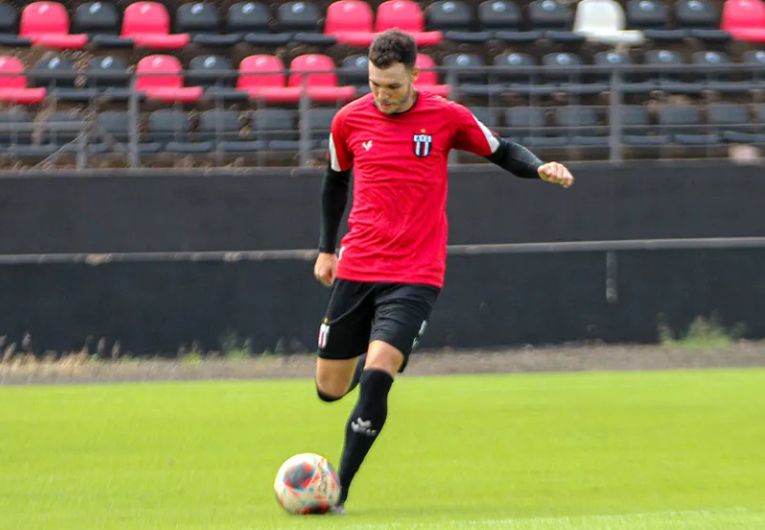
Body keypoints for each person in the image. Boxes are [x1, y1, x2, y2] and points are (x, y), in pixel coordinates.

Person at [312, 29, 574, 513]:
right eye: (374, 85)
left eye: (392, 86)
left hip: (415, 273)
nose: (382, 95)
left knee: (378, 375)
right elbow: (334, 183)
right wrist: (327, 250)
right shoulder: (348, 121)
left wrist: (540, 167)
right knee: (329, 389)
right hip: (358, 267)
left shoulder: (445, 116)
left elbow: (503, 149)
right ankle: (361, 357)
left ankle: (338, 490)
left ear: (414, 75)